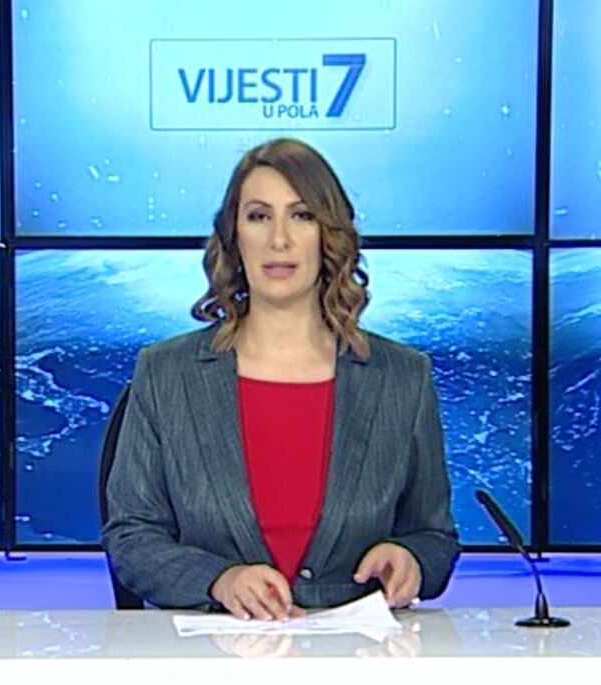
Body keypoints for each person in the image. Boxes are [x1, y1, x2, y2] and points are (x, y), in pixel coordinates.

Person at [102, 138, 459, 619]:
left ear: (329, 234)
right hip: (214, 651)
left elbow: (435, 537)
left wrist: (411, 559)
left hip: (355, 653)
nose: (279, 240)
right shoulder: (167, 373)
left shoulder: (401, 378)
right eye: (258, 216)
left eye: (302, 215)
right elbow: (131, 537)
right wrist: (220, 580)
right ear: (234, 235)